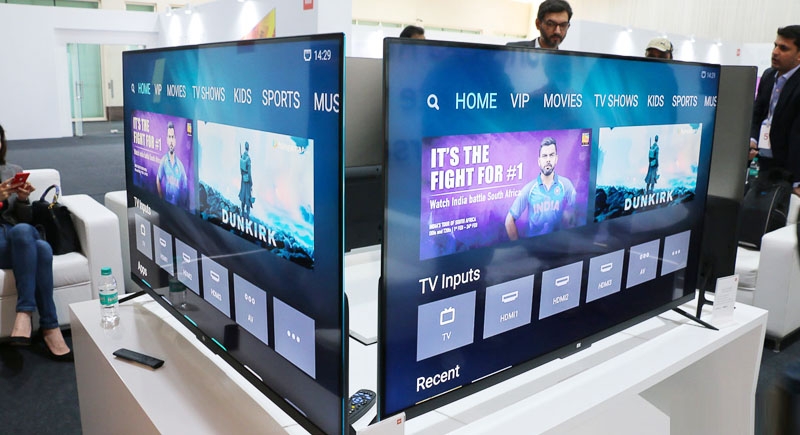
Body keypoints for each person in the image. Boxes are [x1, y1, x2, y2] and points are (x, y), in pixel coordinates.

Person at [0, 125, 72, 361]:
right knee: (41, 248)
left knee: (26, 234)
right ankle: (49, 327)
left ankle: (26, 315)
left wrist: (22, 199)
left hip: (17, 235)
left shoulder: (12, 170)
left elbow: (24, 220)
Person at [750, 25, 800, 192]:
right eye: (775, 45)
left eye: (783, 48)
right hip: (763, 162)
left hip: (789, 169)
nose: (775, 52)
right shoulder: (768, 75)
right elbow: (757, 113)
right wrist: (752, 140)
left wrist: (797, 182)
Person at [505, 136, 577, 240]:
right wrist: (519, 245)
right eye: (544, 156)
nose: (548, 160)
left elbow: (578, 213)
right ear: (539, 161)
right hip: (534, 248)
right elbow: (509, 221)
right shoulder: (529, 189)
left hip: (560, 246)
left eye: (551, 155)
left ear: (556, 159)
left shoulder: (566, 185)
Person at [507, 0, 572, 49]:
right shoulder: (513, 50)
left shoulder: (566, 59)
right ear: (538, 24)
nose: (557, 31)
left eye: (563, 25)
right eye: (551, 24)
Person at [156, 121, 188, 206]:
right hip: (167, 206)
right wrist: (161, 199)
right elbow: (158, 178)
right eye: (169, 137)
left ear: (175, 140)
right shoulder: (164, 161)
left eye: (172, 137)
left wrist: (182, 205)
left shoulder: (180, 165)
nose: (171, 141)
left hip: (178, 208)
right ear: (167, 139)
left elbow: (185, 187)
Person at [239, 141, 253, 217]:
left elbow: (241, 170)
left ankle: (242, 211)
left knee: (243, 195)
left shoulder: (242, 157)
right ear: (249, 148)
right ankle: (247, 214)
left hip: (243, 179)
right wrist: (251, 182)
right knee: (248, 197)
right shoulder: (248, 159)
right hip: (247, 181)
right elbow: (249, 173)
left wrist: (243, 175)